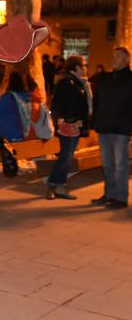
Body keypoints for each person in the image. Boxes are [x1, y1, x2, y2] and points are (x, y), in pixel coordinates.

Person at [90, 46, 131, 209]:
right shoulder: (105, 79)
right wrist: (96, 122)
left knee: (120, 164)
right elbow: (97, 102)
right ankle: (109, 194)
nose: (114, 59)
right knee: (107, 164)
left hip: (121, 129)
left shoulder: (130, 79)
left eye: (118, 57)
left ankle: (120, 198)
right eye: (113, 56)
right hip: (105, 127)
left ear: (126, 60)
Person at [46, 55, 91, 200]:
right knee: (65, 157)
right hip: (69, 125)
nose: (85, 68)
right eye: (83, 66)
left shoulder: (78, 82)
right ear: (76, 67)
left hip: (75, 125)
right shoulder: (67, 83)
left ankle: (60, 186)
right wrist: (67, 120)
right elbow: (60, 105)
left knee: (67, 156)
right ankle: (53, 185)